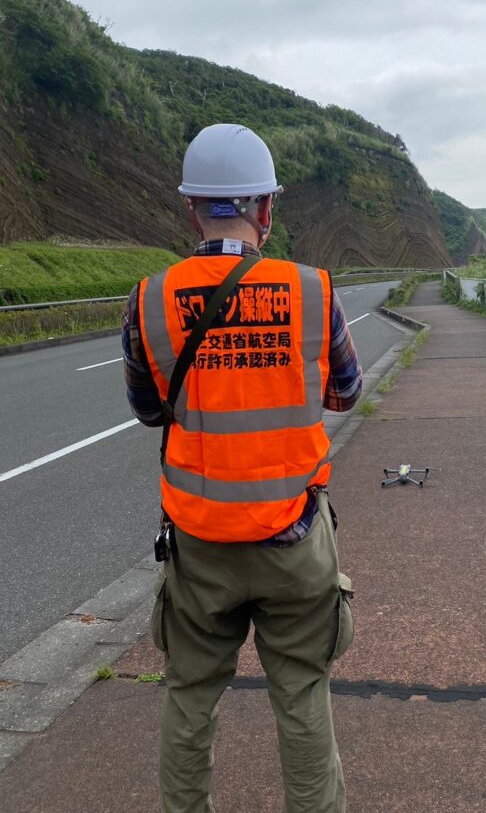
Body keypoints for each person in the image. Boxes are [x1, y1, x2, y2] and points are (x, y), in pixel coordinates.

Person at [122, 123, 363, 813]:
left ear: (190, 207)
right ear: (266, 208)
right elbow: (344, 391)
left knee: (191, 697)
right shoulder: (312, 290)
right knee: (302, 697)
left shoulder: (151, 299)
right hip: (294, 536)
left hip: (199, 545)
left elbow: (147, 409)